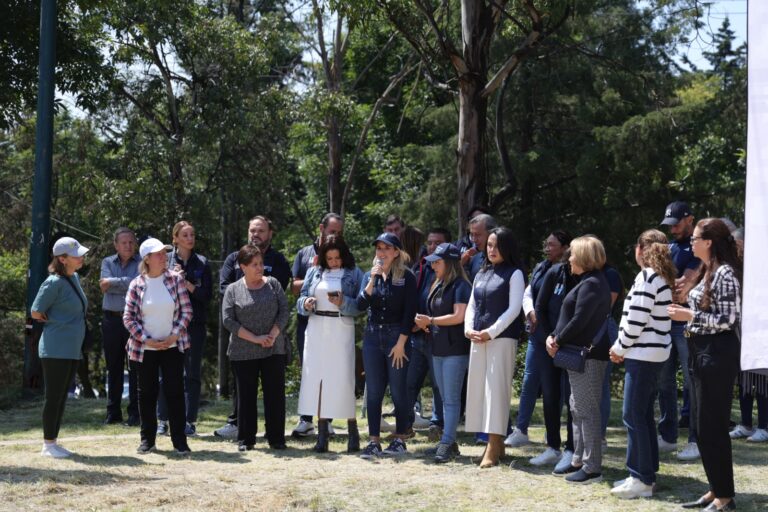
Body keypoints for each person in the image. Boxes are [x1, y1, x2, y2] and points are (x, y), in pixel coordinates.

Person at [669, 218, 742, 511]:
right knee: (701, 425)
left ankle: (725, 496)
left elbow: (728, 319)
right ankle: (715, 489)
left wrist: (689, 317)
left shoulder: (726, 273)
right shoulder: (708, 269)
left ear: (709, 241)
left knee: (713, 426)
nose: (691, 242)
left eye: (696, 238)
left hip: (718, 354)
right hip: (700, 350)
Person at [608, 229, 675, 499]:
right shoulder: (660, 277)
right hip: (653, 354)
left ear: (640, 249)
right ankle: (643, 474)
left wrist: (619, 347)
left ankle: (642, 479)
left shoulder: (647, 277)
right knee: (643, 415)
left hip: (642, 355)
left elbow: (636, 320)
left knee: (633, 415)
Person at [214, 215, 292, 439]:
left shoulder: (276, 270)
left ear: (269, 233)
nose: (255, 234)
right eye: (252, 230)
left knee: (275, 394)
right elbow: (227, 313)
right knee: (245, 394)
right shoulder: (233, 266)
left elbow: (283, 308)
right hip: (243, 347)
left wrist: (271, 335)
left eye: (260, 231)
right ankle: (245, 436)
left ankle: (276, 438)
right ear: (243, 266)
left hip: (272, 345)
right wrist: (254, 337)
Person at [546, 236, 611, 484]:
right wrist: (555, 336)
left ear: (584, 257)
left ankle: (592, 467)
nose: (569, 258)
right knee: (577, 407)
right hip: (579, 355)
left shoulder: (593, 283)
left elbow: (580, 320)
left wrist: (557, 339)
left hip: (588, 357)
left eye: (572, 253)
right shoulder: (588, 281)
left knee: (587, 410)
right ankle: (580, 459)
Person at [123, 238, 193, 454]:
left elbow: (186, 311)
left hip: (173, 347)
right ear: (147, 259)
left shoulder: (175, 280)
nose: (164, 257)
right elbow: (128, 318)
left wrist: (173, 336)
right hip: (145, 349)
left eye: (164, 253)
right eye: (159, 254)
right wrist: (146, 339)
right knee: (146, 395)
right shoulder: (136, 284)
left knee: (175, 393)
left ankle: (180, 441)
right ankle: (147, 440)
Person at [506, 230, 571, 458]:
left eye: (552, 244)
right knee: (530, 380)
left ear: (564, 247)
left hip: (560, 337)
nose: (547, 248)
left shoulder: (571, 270)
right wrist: (531, 312)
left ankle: (559, 439)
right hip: (538, 334)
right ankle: (522, 430)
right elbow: (528, 293)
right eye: (546, 244)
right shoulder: (543, 267)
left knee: (559, 388)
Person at [464, 227, 525, 468]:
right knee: (479, 390)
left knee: (496, 392)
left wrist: (491, 332)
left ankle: (493, 444)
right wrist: (469, 329)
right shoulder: (481, 273)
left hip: (501, 340)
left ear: (507, 247)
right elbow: (471, 305)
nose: (491, 250)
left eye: (496, 245)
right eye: (489, 245)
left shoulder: (515, 274)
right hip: (478, 339)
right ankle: (496, 444)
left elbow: (514, 310)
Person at [296, 235, 363, 452]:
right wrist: (305, 303)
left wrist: (343, 302)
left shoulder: (354, 273)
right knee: (318, 381)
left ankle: (353, 432)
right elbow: (300, 299)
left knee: (343, 379)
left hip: (341, 326)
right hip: (316, 327)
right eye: (330, 258)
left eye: (337, 258)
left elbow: (362, 305)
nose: (334, 262)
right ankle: (322, 434)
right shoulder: (314, 272)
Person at [357, 233, 417, 459]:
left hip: (396, 337)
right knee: (373, 391)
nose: (381, 253)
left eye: (386, 248)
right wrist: (373, 279)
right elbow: (362, 304)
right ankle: (374, 441)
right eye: (378, 248)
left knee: (398, 390)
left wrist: (402, 343)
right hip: (373, 337)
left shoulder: (407, 277)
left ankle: (400, 438)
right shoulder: (368, 276)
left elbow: (409, 313)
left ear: (396, 253)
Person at [31, 237, 90, 458]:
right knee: (53, 396)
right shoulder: (53, 282)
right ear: (63, 259)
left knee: (62, 397)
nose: (81, 257)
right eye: (76, 255)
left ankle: (53, 442)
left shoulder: (74, 277)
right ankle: (47, 444)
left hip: (71, 348)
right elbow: (36, 312)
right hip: (55, 348)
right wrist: (57, 323)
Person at [414, 243, 471, 462]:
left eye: (437, 262)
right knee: (444, 398)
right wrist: (424, 322)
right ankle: (449, 442)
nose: (433, 265)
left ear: (450, 263)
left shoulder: (461, 286)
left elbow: (459, 316)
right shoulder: (438, 283)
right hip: (437, 347)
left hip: (455, 349)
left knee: (451, 399)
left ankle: (447, 442)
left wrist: (431, 321)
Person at [290, 213, 345, 437]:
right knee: (309, 370)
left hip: (334, 325)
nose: (336, 236)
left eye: (339, 232)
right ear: (321, 228)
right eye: (332, 231)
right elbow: (294, 288)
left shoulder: (342, 254)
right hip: (308, 322)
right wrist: (314, 272)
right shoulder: (304, 254)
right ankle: (306, 419)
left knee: (330, 371)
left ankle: (328, 419)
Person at [157, 221, 212, 437]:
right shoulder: (165, 262)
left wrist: (187, 283)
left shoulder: (202, 263)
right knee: (166, 374)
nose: (190, 238)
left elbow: (206, 296)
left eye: (192, 234)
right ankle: (163, 419)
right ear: (175, 239)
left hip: (194, 326)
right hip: (168, 324)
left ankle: (189, 422)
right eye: (185, 235)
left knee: (192, 375)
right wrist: (172, 276)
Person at [659, 201, 701, 461]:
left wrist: (669, 285)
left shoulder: (698, 247)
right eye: (669, 225)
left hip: (686, 323)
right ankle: (667, 436)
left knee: (692, 382)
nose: (673, 229)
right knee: (664, 382)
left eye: (676, 224)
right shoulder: (671, 246)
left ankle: (696, 439)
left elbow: (683, 286)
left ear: (689, 219)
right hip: (666, 321)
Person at [534, 248, 578, 473]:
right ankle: (553, 446)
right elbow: (540, 307)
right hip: (548, 344)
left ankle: (572, 448)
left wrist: (562, 339)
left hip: (571, 345)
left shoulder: (588, 277)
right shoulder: (554, 273)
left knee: (572, 398)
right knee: (550, 396)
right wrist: (548, 338)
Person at [408, 227, 451, 439]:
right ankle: (405, 423)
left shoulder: (451, 275)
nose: (432, 246)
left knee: (438, 385)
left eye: (437, 243)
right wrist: (414, 323)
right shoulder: (422, 267)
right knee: (410, 381)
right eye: (430, 242)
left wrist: (427, 321)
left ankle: (438, 424)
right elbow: (415, 296)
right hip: (417, 336)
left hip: (438, 337)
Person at [99, 227, 141, 426]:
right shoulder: (107, 262)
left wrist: (114, 283)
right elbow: (103, 285)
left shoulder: (142, 262)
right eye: (123, 242)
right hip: (112, 320)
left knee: (135, 368)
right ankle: (113, 412)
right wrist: (129, 283)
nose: (128, 246)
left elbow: (140, 283)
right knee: (113, 367)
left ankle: (135, 413)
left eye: (131, 242)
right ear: (116, 245)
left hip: (135, 320)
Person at [465, 214, 497, 281]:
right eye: (472, 235)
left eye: (478, 235)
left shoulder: (507, 259)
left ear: (491, 233)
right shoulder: (474, 259)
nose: (474, 240)